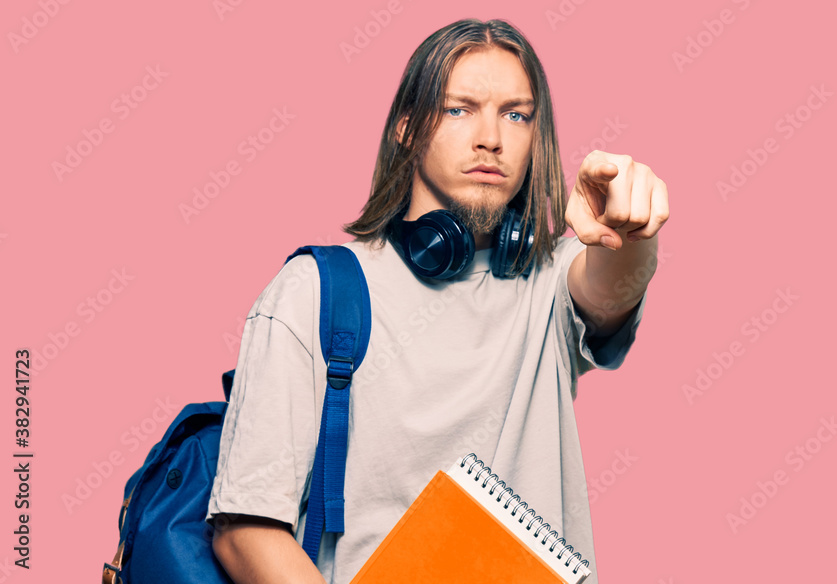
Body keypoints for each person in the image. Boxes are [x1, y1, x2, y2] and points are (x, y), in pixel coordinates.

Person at [206, 17, 668, 583]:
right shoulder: (315, 292)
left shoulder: (550, 281)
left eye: (516, 114)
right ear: (407, 128)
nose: (491, 138)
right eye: (459, 108)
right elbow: (245, 528)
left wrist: (632, 230)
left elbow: (612, 285)